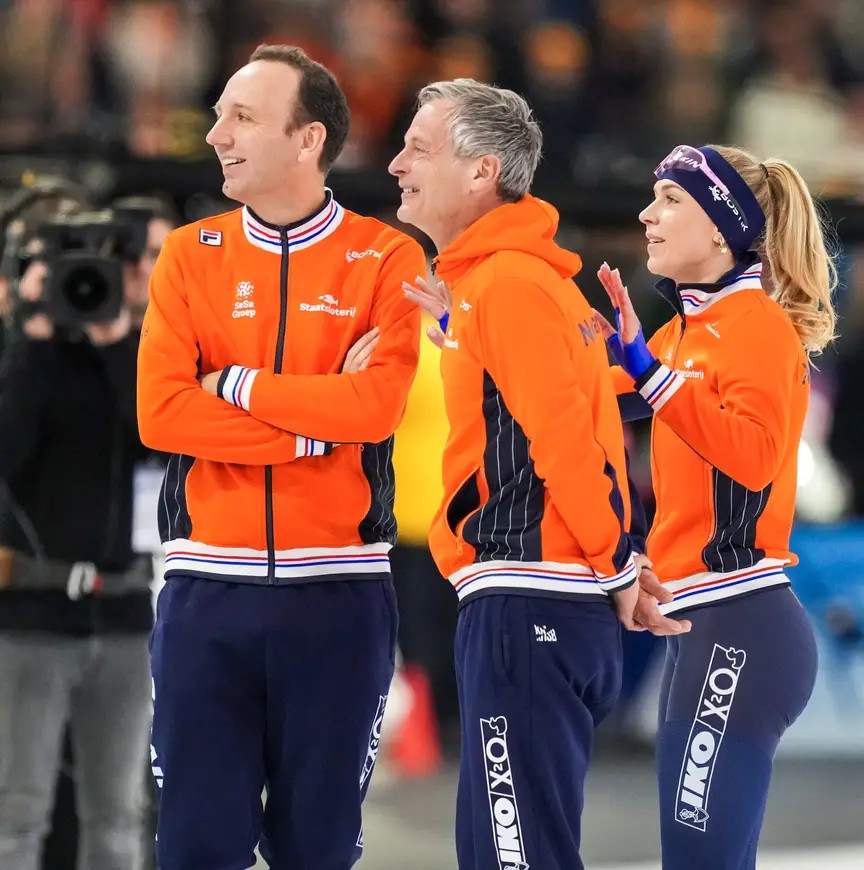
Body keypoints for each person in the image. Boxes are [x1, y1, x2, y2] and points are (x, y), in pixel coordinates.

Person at [137, 45, 424, 870]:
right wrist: (311, 424)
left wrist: (230, 385)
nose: (217, 134)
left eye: (244, 118)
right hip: (204, 594)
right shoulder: (190, 254)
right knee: (195, 848)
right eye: (222, 114)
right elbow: (161, 414)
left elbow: (374, 409)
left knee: (319, 850)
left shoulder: (388, 259)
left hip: (339, 597)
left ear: (309, 140)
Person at [391, 78, 676, 870]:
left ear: (481, 171)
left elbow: (562, 441)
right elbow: (568, 409)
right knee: (512, 848)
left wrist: (617, 561)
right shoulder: (515, 284)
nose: (395, 162)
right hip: (544, 599)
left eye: (418, 147)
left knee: (515, 856)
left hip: (531, 597)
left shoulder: (510, 286)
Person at [595, 143, 835, 869]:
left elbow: (755, 457)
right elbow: (585, 400)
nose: (648, 214)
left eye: (670, 200)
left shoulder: (757, 327)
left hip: (744, 621)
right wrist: (471, 338)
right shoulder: (682, 334)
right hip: (706, 625)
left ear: (723, 227)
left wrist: (650, 373)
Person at [0, 204, 171, 870]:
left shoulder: (147, 357)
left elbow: (156, 440)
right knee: (18, 811)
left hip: (127, 612)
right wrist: (38, 335)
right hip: (33, 616)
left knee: (118, 814)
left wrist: (114, 342)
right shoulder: (30, 355)